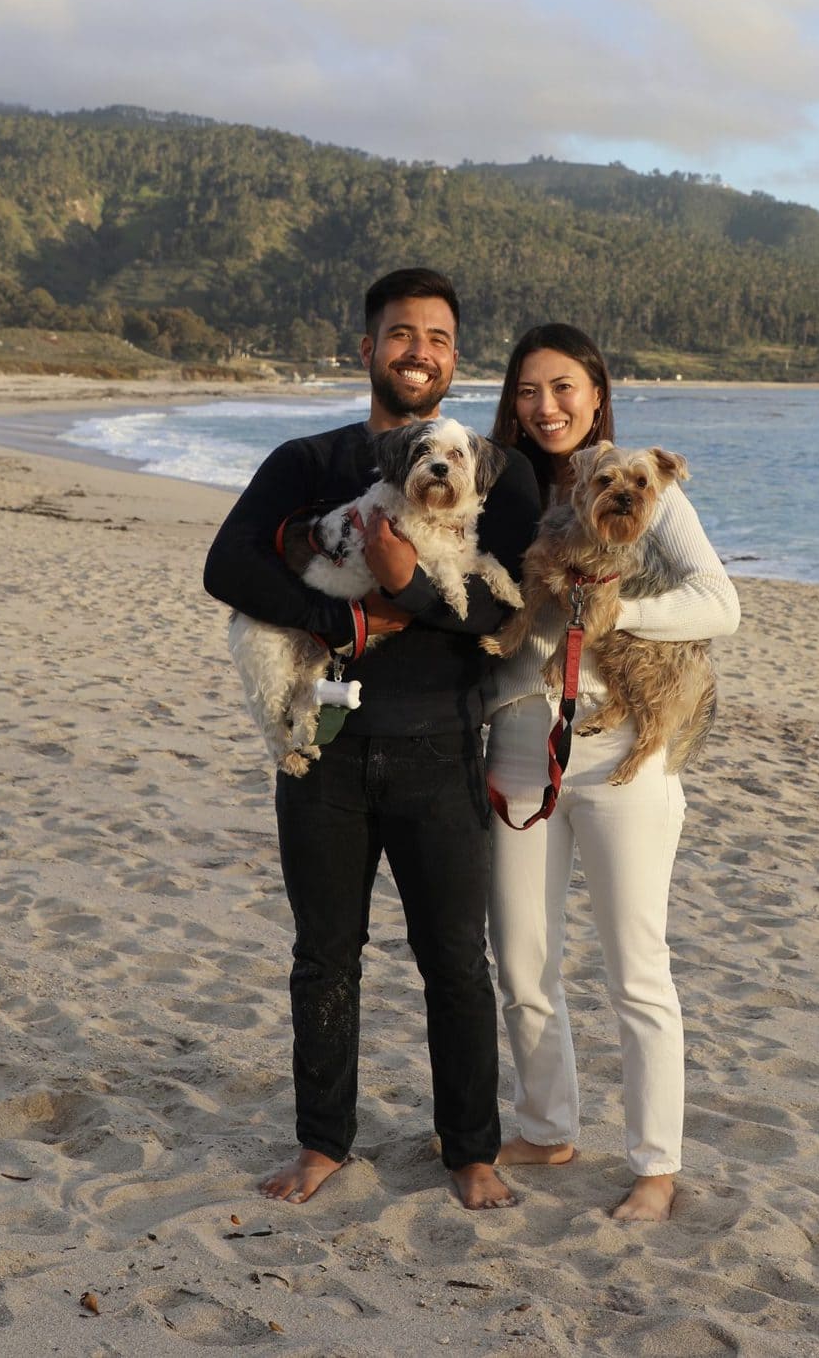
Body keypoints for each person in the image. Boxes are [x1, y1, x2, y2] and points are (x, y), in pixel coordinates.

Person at [204, 268, 540, 1210]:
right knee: (325, 956)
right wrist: (345, 624)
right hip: (333, 751)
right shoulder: (307, 461)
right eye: (400, 334)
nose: (417, 351)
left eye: (435, 336)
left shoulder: (481, 472)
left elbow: (499, 611)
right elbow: (225, 566)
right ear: (368, 349)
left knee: (455, 964)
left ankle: (470, 1148)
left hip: (442, 748)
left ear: (454, 358)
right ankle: (323, 1143)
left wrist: (410, 589)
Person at [485, 323, 741, 1221]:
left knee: (637, 966)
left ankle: (655, 1165)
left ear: (597, 397)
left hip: (620, 756)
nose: (544, 406)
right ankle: (549, 1124)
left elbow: (721, 602)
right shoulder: (503, 486)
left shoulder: (648, 490)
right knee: (521, 959)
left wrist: (613, 613)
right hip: (519, 745)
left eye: (563, 389)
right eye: (528, 391)